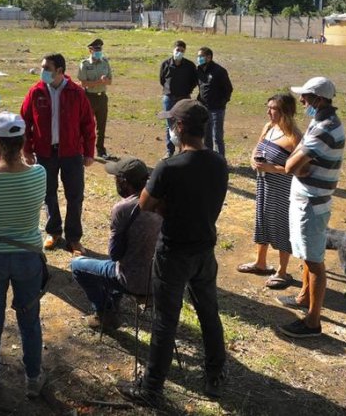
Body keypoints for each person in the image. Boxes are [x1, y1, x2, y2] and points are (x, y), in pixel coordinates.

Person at [120, 100, 228, 407]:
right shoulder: (219, 163)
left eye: (172, 123)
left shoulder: (169, 167)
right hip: (204, 249)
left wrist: (168, 207)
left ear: (179, 127)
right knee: (209, 312)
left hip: (174, 252)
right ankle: (215, 374)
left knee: (166, 321)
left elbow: (144, 204)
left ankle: (151, 387)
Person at [0, 112, 48, 400]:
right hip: (28, 257)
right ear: (23, 140)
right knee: (29, 320)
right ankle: (33, 377)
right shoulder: (40, 174)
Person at [278, 77, 346, 339]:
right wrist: (298, 162)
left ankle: (312, 322)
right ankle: (304, 296)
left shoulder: (324, 128)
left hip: (311, 202)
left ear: (319, 99)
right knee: (307, 255)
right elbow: (297, 159)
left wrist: (296, 164)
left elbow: (290, 166)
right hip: (309, 198)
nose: (302, 101)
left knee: (314, 261)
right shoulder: (319, 122)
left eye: (305, 97)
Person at [69, 156, 161, 330]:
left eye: (116, 178)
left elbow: (115, 254)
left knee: (77, 265)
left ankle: (104, 312)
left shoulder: (124, 208)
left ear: (124, 182)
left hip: (133, 280)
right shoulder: (162, 202)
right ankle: (112, 302)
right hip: (162, 278)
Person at [20, 53, 96, 255]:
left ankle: (74, 238)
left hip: (71, 153)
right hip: (45, 153)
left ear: (60, 71)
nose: (42, 72)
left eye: (47, 68)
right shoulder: (36, 92)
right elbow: (25, 121)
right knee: (48, 194)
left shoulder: (76, 93)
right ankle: (53, 232)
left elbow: (88, 124)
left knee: (75, 195)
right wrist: (26, 149)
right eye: (42, 67)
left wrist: (89, 152)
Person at [238, 93, 301, 290]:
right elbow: (256, 150)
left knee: (281, 226)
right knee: (262, 221)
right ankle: (261, 262)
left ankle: (282, 271)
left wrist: (271, 169)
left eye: (272, 108)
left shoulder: (295, 138)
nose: (268, 112)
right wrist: (253, 161)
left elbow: (300, 170)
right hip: (263, 184)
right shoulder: (268, 127)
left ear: (285, 112)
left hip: (282, 189)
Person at [158, 40, 197, 158]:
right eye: (177, 50)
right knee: (169, 124)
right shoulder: (165, 64)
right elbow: (162, 80)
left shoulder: (190, 66)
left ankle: (183, 150)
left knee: (183, 124)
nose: (179, 52)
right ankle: (169, 151)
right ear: (173, 50)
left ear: (185, 52)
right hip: (169, 98)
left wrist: (187, 92)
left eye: (182, 51)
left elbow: (194, 81)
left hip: (183, 99)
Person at [77, 38, 113, 159]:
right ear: (90, 50)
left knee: (101, 126)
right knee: (87, 125)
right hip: (89, 98)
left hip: (102, 97)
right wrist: (99, 81)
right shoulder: (85, 64)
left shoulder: (105, 62)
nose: (99, 51)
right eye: (96, 49)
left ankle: (101, 150)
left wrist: (106, 80)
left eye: (100, 49)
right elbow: (83, 83)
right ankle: (84, 150)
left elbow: (110, 81)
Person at [195, 47, 233, 157]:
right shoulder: (199, 70)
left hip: (217, 109)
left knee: (217, 137)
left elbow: (228, 89)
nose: (199, 58)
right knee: (206, 136)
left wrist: (222, 102)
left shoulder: (219, 71)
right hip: (203, 108)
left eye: (201, 56)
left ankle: (221, 160)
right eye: (198, 56)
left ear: (209, 57)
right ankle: (209, 159)